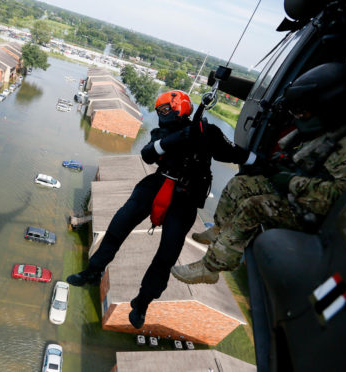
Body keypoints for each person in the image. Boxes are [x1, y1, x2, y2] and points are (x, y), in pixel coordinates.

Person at [66, 90, 257, 329]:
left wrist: (264, 163)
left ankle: (142, 302)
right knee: (118, 225)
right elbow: (147, 154)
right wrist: (176, 139)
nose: (161, 115)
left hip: (185, 198)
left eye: (165, 110)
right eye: (159, 111)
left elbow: (236, 154)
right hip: (158, 184)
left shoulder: (208, 133)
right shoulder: (163, 133)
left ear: (180, 108)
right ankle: (93, 272)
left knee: (167, 254)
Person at [171, 62, 346, 285]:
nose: (299, 117)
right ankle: (219, 231)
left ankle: (210, 268)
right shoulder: (337, 124)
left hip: (321, 216)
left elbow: (339, 201)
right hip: (302, 192)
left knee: (255, 206)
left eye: (303, 112)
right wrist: (280, 169)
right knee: (241, 184)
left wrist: (290, 182)